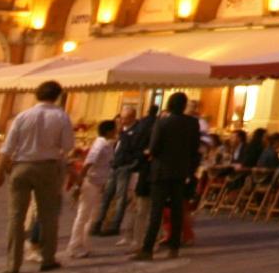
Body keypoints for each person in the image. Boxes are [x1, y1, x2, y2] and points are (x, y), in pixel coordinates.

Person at [0, 81, 73, 273]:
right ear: (57, 96)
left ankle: (13, 263)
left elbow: (8, 147)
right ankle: (47, 259)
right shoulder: (61, 117)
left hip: (21, 167)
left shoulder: (23, 116)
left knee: (16, 216)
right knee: (48, 216)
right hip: (47, 168)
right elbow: (67, 146)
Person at [132, 91, 201, 261]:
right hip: (181, 172)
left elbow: (154, 147)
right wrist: (190, 170)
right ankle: (174, 247)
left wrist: (149, 152)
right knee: (177, 210)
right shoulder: (192, 123)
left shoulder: (162, 122)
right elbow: (195, 149)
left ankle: (147, 249)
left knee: (156, 211)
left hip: (161, 171)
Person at [67, 120, 118, 261]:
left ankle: (84, 243)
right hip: (91, 182)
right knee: (83, 214)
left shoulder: (107, 144)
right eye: (114, 129)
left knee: (92, 216)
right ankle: (74, 245)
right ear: (108, 131)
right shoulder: (100, 144)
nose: (116, 131)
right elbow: (89, 162)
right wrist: (79, 183)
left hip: (99, 183)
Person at [95, 105, 145, 236]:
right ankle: (99, 221)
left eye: (125, 118)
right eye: (121, 118)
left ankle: (114, 224)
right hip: (114, 164)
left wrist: (131, 164)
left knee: (120, 196)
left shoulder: (137, 130)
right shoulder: (120, 129)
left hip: (124, 165)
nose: (122, 120)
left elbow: (136, 149)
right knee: (107, 195)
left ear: (133, 117)